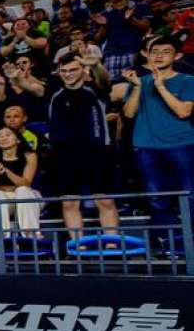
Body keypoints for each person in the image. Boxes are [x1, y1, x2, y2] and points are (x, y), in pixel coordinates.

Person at [43, 52, 120, 238]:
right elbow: (30, 87)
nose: (68, 74)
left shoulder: (94, 89)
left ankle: (112, 243)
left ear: (83, 70)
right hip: (64, 156)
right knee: (69, 203)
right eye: (64, 71)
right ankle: (78, 245)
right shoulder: (55, 94)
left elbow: (104, 81)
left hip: (97, 153)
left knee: (105, 201)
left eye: (73, 70)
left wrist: (96, 65)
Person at [122, 36, 194, 227]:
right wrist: (137, 88)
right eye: (154, 52)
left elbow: (183, 111)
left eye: (165, 52)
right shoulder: (139, 81)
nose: (159, 56)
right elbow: (129, 113)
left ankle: (190, 242)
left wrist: (161, 86)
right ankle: (166, 243)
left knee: (190, 195)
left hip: (182, 144)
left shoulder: (188, 80)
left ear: (177, 56)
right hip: (146, 146)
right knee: (156, 197)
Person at [0, 127, 41, 239]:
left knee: (22, 190)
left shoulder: (29, 155)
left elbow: (26, 183)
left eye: (8, 135)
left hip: (28, 197)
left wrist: (6, 171)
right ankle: (0, 236)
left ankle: (31, 234)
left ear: (18, 139)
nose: (3, 138)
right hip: (5, 198)